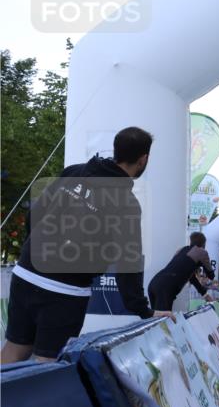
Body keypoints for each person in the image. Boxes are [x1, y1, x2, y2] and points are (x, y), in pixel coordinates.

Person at [2, 127, 172, 364]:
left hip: (26, 273)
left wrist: (34, 250)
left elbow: (36, 212)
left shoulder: (74, 172)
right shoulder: (127, 203)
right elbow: (128, 262)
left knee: (14, 349)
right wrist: (144, 310)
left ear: (116, 149)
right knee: (47, 362)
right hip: (65, 291)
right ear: (143, 159)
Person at [147, 232, 216, 311]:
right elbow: (211, 275)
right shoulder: (202, 252)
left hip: (154, 283)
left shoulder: (182, 250)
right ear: (203, 244)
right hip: (165, 288)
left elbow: (191, 278)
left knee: (157, 320)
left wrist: (204, 294)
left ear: (191, 241)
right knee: (163, 320)